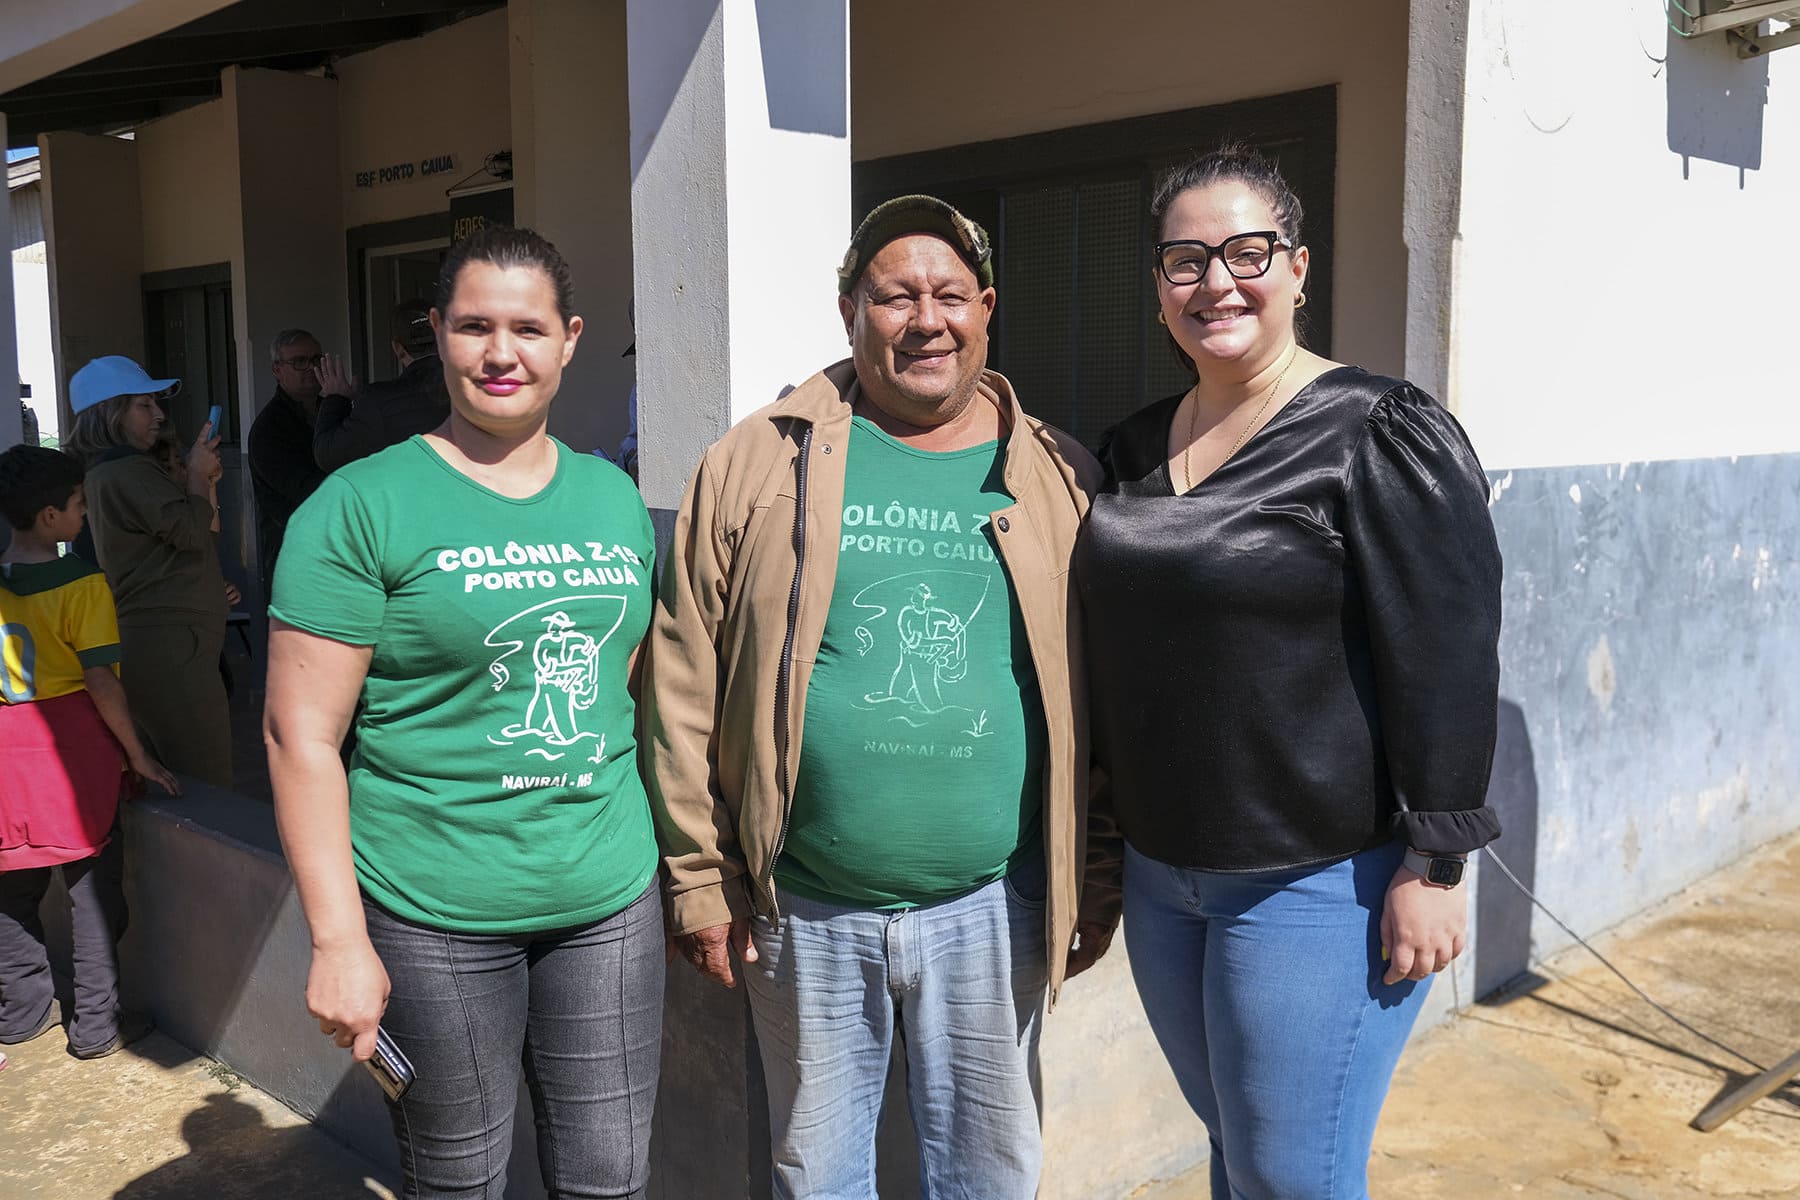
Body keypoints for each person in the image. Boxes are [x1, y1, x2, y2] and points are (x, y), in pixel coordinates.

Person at [645, 194, 1122, 1199]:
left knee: (991, 1177)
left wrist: (1096, 872)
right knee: (817, 1176)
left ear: (986, 310)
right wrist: (697, 880)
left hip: (995, 907)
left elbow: (1101, 699)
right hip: (805, 909)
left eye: (949, 295)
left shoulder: (1057, 474)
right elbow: (682, 681)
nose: (925, 319)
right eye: (895, 296)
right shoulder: (755, 461)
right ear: (849, 311)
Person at [1073, 146, 1503, 1199]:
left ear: (1298, 269)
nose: (1216, 282)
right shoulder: (1129, 450)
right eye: (1185, 260)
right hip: (1165, 878)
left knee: (1292, 1177)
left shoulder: (1377, 432)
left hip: (1316, 883)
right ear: (1159, 287)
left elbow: (1447, 654)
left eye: (1247, 252)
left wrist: (1438, 862)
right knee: (1238, 1152)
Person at [265, 226, 663, 1199]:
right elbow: (300, 735)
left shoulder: (614, 499)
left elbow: (625, 685)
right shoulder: (360, 505)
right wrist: (337, 940)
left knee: (611, 1179)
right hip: (432, 912)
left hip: (607, 903)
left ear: (568, 339)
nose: (501, 353)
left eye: (527, 328)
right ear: (437, 333)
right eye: (475, 326)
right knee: (459, 1180)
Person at [0, 445, 178, 1062]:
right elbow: (100, 680)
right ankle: (97, 1026)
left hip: (7, 753)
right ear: (50, 516)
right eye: (78, 505)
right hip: (70, 752)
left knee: (11, 892)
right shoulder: (82, 582)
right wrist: (138, 753)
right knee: (93, 896)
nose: (84, 514)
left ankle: (21, 1014)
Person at [63, 356, 232, 787]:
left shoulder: (112, 471)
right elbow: (192, 531)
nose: (159, 414)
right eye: (144, 404)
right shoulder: (126, 470)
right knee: (204, 783)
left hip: (163, 640)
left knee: (176, 779)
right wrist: (196, 476)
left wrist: (203, 482)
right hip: (167, 643)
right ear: (110, 412)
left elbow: (196, 541)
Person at [312, 299, 453, 472]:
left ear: (398, 349)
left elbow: (328, 455)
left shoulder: (379, 401)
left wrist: (336, 398)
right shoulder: (474, 390)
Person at [247, 329, 327, 592]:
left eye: (316, 359)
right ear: (277, 370)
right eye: (299, 361)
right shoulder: (269, 429)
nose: (311, 368)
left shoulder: (337, 410)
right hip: (296, 557)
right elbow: (308, 490)